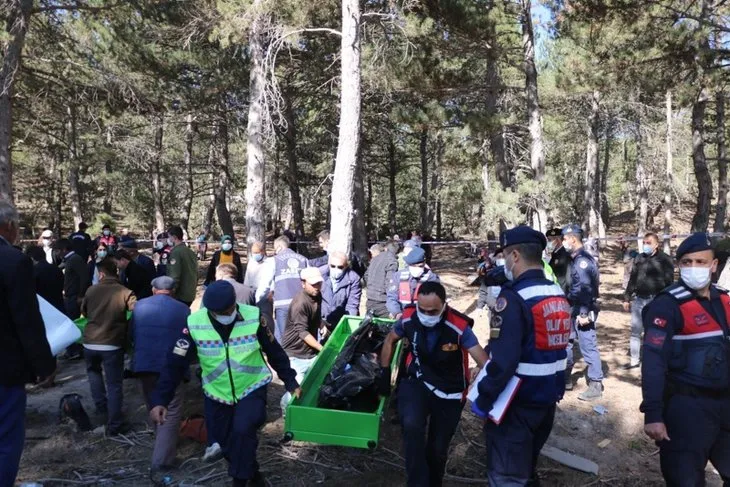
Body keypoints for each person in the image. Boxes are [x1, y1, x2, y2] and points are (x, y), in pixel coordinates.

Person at [149, 281, 301, 486]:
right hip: (216, 394)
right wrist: (161, 400)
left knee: (243, 430)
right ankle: (254, 476)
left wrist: (290, 381)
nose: (225, 314)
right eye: (220, 312)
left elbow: (274, 351)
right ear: (210, 310)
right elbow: (174, 364)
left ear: (234, 303)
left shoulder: (253, 317)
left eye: (229, 310)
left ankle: (239, 481)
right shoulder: (194, 324)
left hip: (251, 387)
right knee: (225, 442)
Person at [472, 226, 571, 486]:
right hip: (547, 400)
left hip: (515, 405)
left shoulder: (514, 299)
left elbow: (503, 362)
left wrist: (484, 396)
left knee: (507, 477)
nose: (502, 262)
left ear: (515, 256)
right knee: (526, 468)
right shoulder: (556, 292)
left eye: (504, 256)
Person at [640, 233, 730, 486]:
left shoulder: (724, 300)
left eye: (701, 262)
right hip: (687, 407)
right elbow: (654, 361)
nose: (693, 268)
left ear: (713, 266)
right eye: (687, 262)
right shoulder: (667, 305)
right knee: (685, 479)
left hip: (725, 405)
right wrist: (653, 413)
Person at [379, 282, 488, 487]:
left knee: (437, 449)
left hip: (450, 391)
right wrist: (385, 372)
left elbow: (483, 360)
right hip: (418, 381)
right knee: (412, 429)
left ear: (444, 305)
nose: (427, 314)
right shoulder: (409, 318)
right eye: (423, 309)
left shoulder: (459, 327)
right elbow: (389, 340)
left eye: (433, 311)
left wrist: (486, 380)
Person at [0, 202, 56, 486]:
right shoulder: (12, 261)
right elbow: (26, 319)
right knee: (6, 439)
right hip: (5, 368)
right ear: (8, 226)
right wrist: (44, 365)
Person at [129, 276, 190, 473]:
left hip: (144, 363)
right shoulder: (183, 309)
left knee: (152, 402)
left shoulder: (139, 307)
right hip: (171, 364)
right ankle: (161, 460)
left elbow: (131, 334)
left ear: (154, 289)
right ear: (172, 291)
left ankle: (161, 440)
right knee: (170, 409)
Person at [81, 257, 136, 435]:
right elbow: (136, 312)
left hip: (90, 342)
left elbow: (84, 311)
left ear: (101, 273)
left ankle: (102, 409)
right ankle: (115, 423)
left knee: (94, 375)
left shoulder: (91, 290)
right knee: (114, 384)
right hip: (112, 343)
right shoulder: (126, 292)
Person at [621, 232, 675, 370]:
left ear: (656, 245)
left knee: (655, 332)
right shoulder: (639, 258)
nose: (646, 245)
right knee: (635, 331)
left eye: (648, 243)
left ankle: (655, 361)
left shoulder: (665, 260)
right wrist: (627, 297)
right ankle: (634, 361)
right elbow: (632, 279)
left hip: (656, 300)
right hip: (639, 300)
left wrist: (666, 302)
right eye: (644, 242)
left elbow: (669, 282)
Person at [562, 224, 603, 400]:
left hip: (582, 309)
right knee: (568, 343)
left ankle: (596, 384)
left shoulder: (582, 261)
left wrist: (584, 313)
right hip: (574, 307)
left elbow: (585, 288)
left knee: (588, 345)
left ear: (572, 239)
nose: (563, 242)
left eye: (564, 238)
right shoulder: (575, 258)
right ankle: (565, 379)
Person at [280, 267, 328, 412]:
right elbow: (302, 332)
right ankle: (285, 408)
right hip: (294, 354)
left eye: (319, 283)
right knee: (296, 388)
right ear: (303, 283)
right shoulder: (300, 303)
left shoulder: (317, 295)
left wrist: (321, 323)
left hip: (310, 352)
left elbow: (315, 315)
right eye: (313, 284)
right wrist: (322, 349)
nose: (317, 287)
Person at [255, 236, 309, 342]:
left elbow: (265, 285)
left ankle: (287, 357)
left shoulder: (274, 261)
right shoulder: (303, 259)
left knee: (285, 338)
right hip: (302, 304)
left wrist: (257, 301)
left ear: (279, 247)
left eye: (275, 249)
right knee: (302, 335)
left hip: (283, 305)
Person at [386, 246, 440, 320]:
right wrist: (397, 313)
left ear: (424, 264)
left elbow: (434, 303)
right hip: (401, 316)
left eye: (420, 266)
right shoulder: (398, 276)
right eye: (413, 266)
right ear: (409, 265)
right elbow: (391, 297)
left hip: (422, 318)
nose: (417, 269)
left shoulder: (432, 279)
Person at [319, 251, 362, 328]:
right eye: (332, 266)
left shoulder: (353, 278)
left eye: (340, 267)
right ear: (328, 264)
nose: (336, 269)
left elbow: (352, 305)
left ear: (346, 266)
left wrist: (349, 325)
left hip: (341, 320)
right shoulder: (320, 274)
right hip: (322, 319)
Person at [56, 238, 91, 320]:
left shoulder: (75, 259)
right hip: (69, 297)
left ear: (64, 249)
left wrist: (81, 295)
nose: (57, 254)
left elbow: (84, 278)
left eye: (57, 250)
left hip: (74, 297)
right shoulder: (68, 260)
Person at [365, 240, 400, 318]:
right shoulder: (392, 261)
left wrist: (372, 287)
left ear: (385, 248)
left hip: (370, 299)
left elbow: (366, 275)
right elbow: (390, 282)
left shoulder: (375, 258)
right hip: (383, 302)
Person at [166, 226, 198, 307]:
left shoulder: (176, 252)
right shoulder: (189, 251)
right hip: (190, 292)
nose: (168, 239)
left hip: (180, 294)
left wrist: (171, 291)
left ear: (174, 237)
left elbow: (174, 274)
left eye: (169, 237)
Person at [26, 245, 65, 313]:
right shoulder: (56, 269)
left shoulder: (33, 272)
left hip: (42, 308)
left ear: (31, 258)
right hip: (58, 307)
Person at [546, 227, 571, 293]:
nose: (548, 243)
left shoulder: (564, 255)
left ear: (557, 240)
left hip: (562, 291)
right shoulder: (554, 254)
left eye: (550, 240)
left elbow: (568, 279)